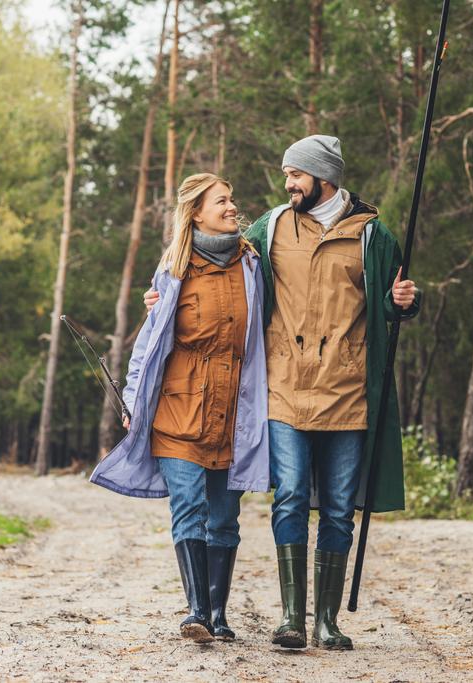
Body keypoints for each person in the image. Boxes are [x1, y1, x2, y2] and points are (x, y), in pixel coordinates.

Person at [145, 135, 419, 650]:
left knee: (339, 507)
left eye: (296, 174)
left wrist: (404, 300)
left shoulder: (373, 237)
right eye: (287, 173)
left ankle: (327, 622)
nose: (287, 183)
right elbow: (212, 263)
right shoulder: (268, 230)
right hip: (285, 390)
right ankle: (292, 618)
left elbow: (391, 301)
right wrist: (163, 294)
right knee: (290, 496)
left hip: (347, 392)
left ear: (324, 177)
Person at [90, 173, 270, 644]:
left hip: (234, 411)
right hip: (178, 410)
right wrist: (133, 402)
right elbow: (149, 346)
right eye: (222, 202)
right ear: (196, 213)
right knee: (188, 506)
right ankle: (197, 612)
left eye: (233, 199)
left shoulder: (252, 264)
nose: (233, 208)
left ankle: (219, 612)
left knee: (225, 516)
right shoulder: (172, 270)